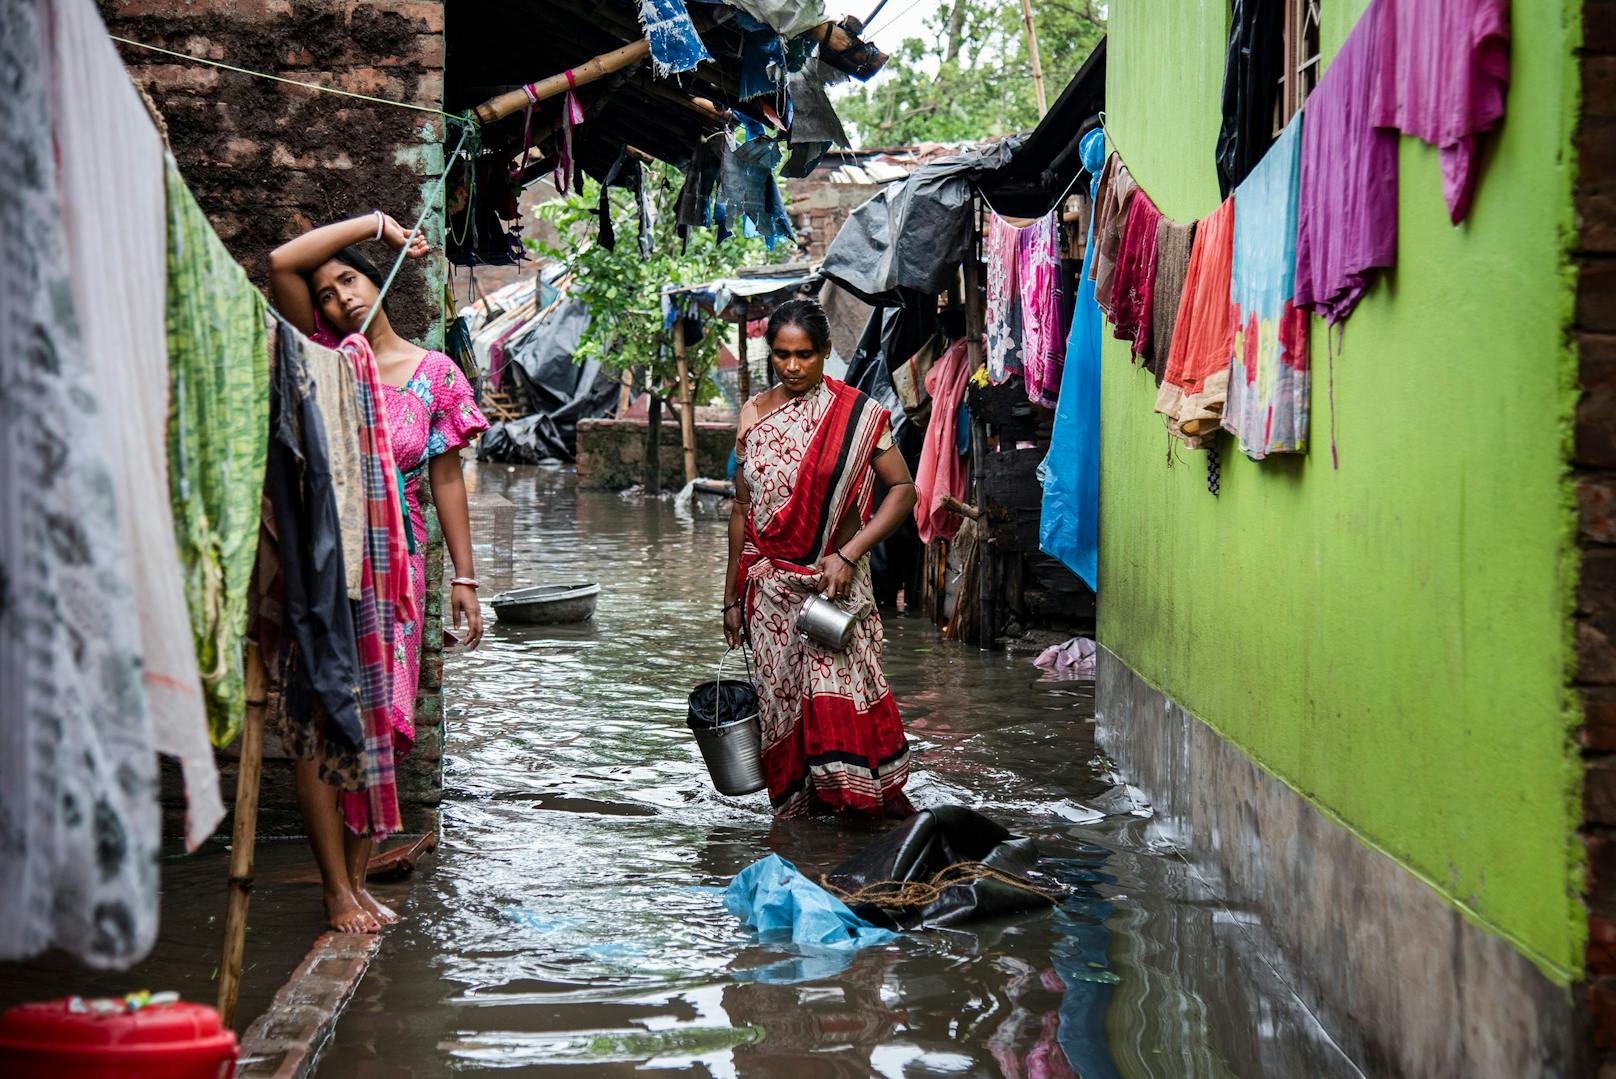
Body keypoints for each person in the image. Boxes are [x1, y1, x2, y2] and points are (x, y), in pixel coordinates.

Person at [269, 212, 488, 931]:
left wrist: (465, 577)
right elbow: (281, 264)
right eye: (328, 292)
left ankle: (358, 879)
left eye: (350, 280)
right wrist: (376, 227)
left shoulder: (435, 376)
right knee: (317, 717)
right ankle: (334, 889)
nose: (340, 299)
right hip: (326, 559)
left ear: (378, 285)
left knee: (379, 725)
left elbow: (446, 481)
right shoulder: (326, 354)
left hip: (397, 569)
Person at [723, 299, 918, 818]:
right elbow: (742, 509)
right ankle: (802, 830)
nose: (792, 367)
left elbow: (903, 490)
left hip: (833, 589)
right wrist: (730, 602)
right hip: (768, 597)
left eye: (804, 355)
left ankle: (863, 815)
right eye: (782, 355)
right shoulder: (753, 415)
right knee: (783, 709)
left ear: (826, 352)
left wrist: (850, 554)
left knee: (840, 702)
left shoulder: (858, 415)